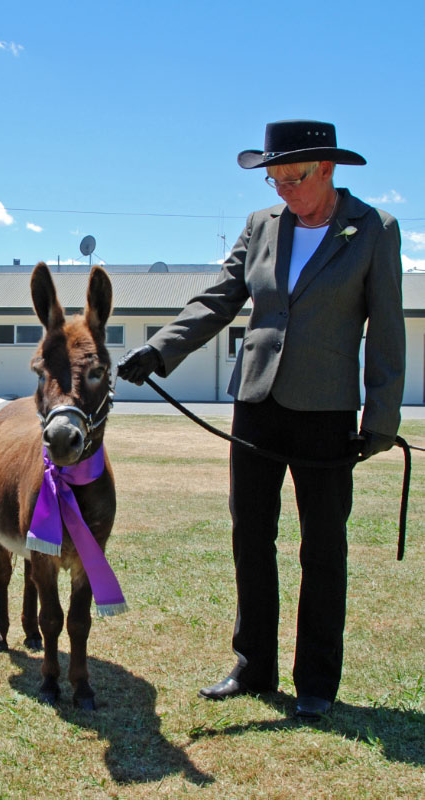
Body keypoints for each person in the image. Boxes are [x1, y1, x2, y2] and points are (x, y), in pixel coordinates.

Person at [117, 119, 405, 719]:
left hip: (326, 413)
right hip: (256, 404)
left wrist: (379, 418)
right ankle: (253, 665)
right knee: (251, 537)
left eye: (291, 178)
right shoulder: (262, 226)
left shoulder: (374, 229)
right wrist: (161, 349)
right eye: (273, 179)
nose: (281, 191)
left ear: (327, 170)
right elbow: (219, 298)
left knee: (323, 547)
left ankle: (318, 681)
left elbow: (387, 331)